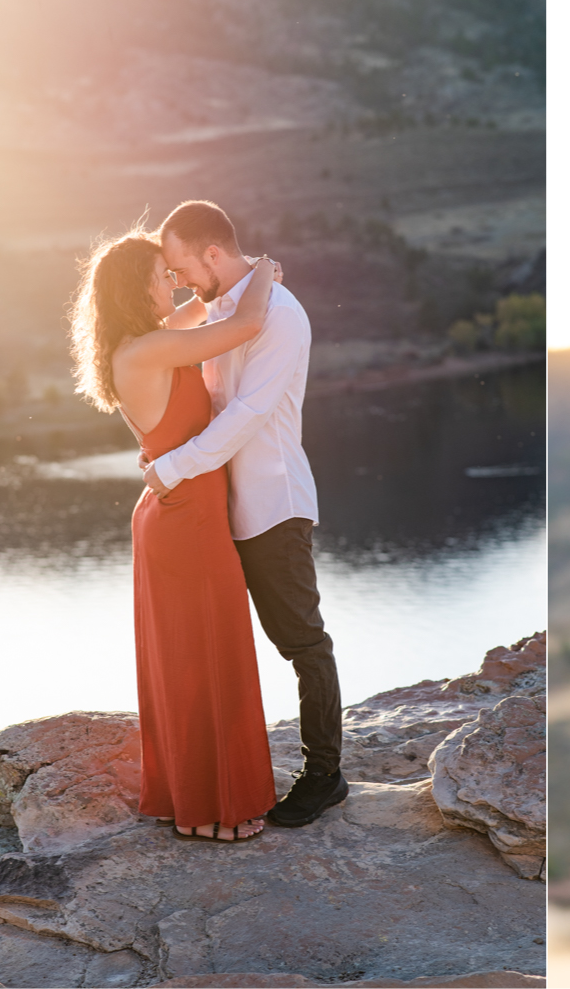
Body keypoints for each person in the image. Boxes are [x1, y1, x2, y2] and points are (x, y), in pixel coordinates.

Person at [143, 200, 349, 829]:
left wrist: (175, 468)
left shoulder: (279, 316)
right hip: (224, 509)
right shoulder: (225, 308)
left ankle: (325, 777)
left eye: (182, 266)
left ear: (211, 253)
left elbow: (248, 414)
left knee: (301, 642)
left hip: (273, 505)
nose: (180, 280)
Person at [69, 229, 279, 842]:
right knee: (204, 656)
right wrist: (261, 267)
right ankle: (214, 809)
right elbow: (244, 325)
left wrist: (223, 281)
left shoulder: (143, 344)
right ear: (138, 287)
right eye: (165, 275)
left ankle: (188, 800)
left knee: (191, 659)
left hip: (181, 511)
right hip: (184, 518)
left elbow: (206, 308)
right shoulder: (146, 352)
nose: (176, 283)